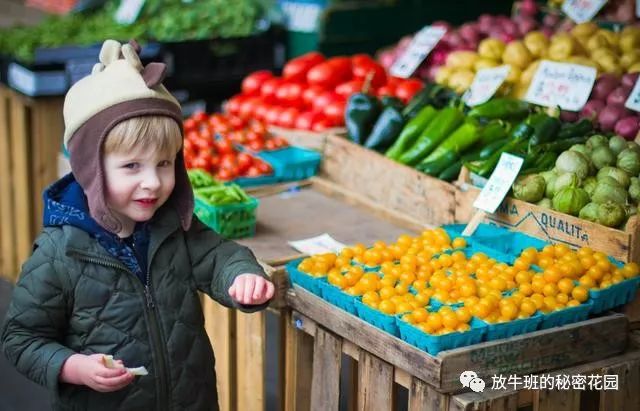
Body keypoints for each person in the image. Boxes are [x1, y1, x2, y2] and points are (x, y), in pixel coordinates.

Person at [0, 39, 274, 410]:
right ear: (90, 170)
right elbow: (21, 338)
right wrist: (73, 367)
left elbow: (221, 256)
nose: (153, 182)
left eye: (164, 164)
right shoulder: (59, 253)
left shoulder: (175, 228)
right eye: (132, 166)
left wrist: (242, 276)